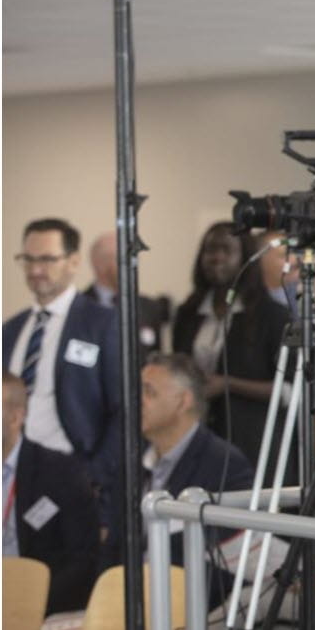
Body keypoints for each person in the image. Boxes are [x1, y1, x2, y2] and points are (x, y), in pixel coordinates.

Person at [107, 353, 258, 606]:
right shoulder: (131, 463)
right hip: (127, 602)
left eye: (149, 392)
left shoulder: (224, 464)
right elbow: (114, 546)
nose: (136, 401)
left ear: (183, 401)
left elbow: (224, 562)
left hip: (189, 608)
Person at [3, 217, 123, 521]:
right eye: (27, 259)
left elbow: (125, 411)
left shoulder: (103, 324)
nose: (35, 270)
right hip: (14, 479)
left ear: (73, 261)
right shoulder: (11, 330)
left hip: (77, 476)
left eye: (46, 259)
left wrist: (93, 476)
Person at [171, 222, 291, 476]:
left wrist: (228, 384)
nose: (217, 258)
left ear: (245, 257)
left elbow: (289, 391)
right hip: (198, 437)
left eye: (227, 250)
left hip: (253, 443)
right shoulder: (188, 313)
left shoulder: (272, 316)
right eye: (210, 250)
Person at [3, 371, 101, 615]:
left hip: (37, 606)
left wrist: (30, 604)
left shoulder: (59, 473)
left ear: (16, 418)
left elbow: (82, 560)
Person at [85, 230, 172, 350]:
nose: (132, 267)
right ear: (100, 264)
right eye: (124, 260)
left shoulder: (150, 308)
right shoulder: (78, 308)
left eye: (134, 260)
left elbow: (156, 359)